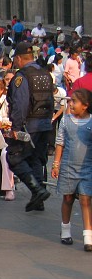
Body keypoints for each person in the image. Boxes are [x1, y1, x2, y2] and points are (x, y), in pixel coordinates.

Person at [6, 41, 53, 212]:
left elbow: (20, 104)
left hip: (29, 126)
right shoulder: (45, 73)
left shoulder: (22, 76)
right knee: (35, 160)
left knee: (14, 158)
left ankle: (37, 190)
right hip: (45, 124)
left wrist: (16, 128)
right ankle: (38, 200)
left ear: (18, 58)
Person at [52, 88, 92, 251]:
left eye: (74, 101)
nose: (71, 104)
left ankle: (88, 236)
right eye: (70, 101)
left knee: (86, 199)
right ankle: (65, 229)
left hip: (87, 167)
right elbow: (60, 142)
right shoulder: (66, 121)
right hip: (68, 166)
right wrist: (56, 163)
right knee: (68, 198)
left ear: (85, 106)